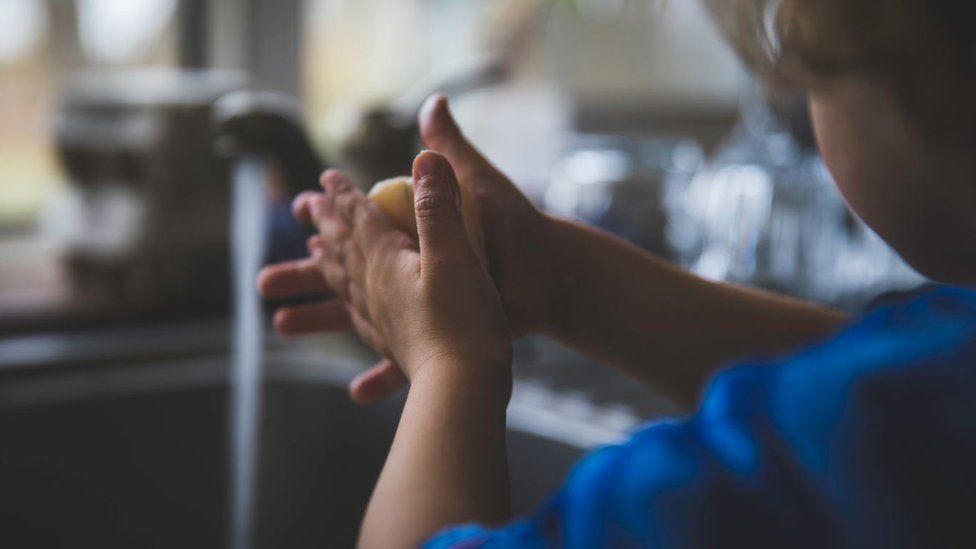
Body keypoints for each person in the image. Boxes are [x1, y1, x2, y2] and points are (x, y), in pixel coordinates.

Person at [257, 0, 976, 546]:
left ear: (922, 86)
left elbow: (853, 400)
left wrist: (449, 363)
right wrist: (570, 284)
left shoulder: (831, 449)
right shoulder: (930, 388)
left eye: (809, 82)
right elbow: (894, 363)